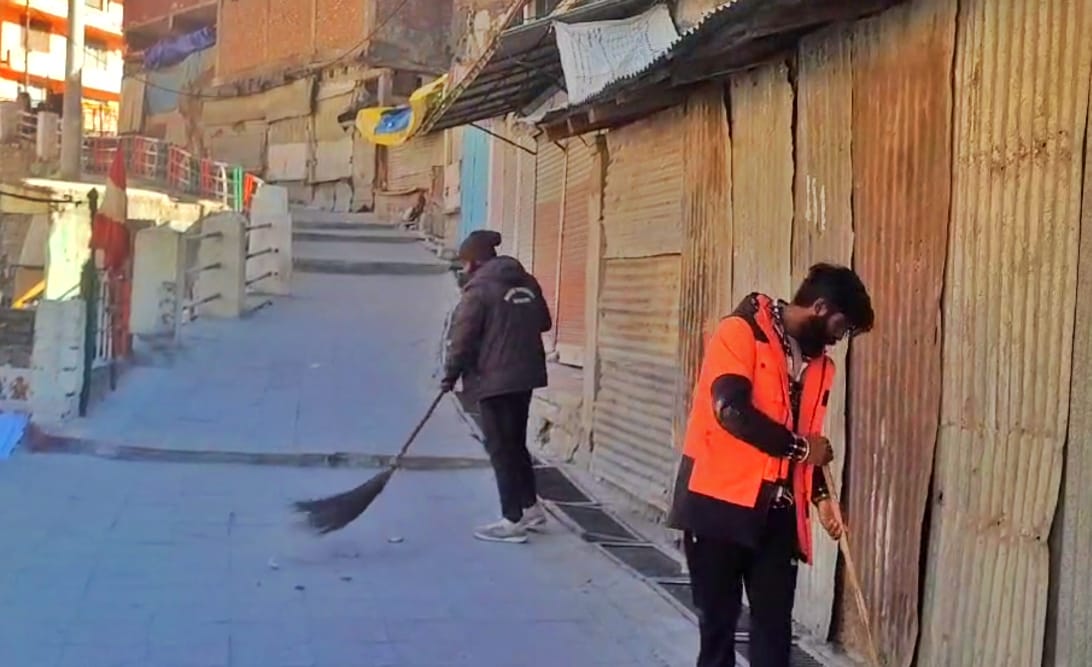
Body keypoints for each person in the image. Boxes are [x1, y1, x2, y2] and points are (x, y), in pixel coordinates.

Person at [669, 263, 874, 667]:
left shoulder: (818, 366)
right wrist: (800, 450)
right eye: (841, 327)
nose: (839, 339)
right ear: (819, 307)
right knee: (718, 632)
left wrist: (820, 498)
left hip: (776, 514)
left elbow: (807, 440)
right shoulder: (742, 333)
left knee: (774, 634)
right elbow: (731, 412)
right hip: (717, 506)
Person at [442, 230, 552, 544]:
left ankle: (511, 518)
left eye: (465, 263)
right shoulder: (526, 281)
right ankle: (531, 508)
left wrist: (449, 376)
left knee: (500, 448)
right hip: (526, 376)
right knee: (515, 443)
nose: (463, 270)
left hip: (494, 379)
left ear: (476, 262)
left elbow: (462, 340)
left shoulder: (478, 291)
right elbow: (544, 322)